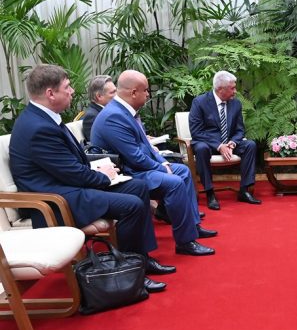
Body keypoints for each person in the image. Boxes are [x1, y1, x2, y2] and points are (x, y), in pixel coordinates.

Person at [9, 64, 173, 293]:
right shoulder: (37, 128)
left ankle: (141, 259)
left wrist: (101, 170)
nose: (72, 91)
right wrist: (104, 177)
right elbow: (72, 173)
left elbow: (71, 165)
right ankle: (130, 271)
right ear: (50, 93)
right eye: (67, 87)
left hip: (68, 187)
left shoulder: (45, 118)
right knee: (132, 205)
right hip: (56, 200)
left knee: (137, 187)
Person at [91, 70, 216, 256]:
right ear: (134, 92)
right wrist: (161, 168)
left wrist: (163, 163)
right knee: (174, 183)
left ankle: (193, 227)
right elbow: (134, 157)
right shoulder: (114, 116)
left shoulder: (125, 111)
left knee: (182, 171)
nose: (148, 95)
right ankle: (185, 242)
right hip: (127, 173)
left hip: (138, 167)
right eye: (146, 91)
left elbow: (147, 147)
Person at [188, 70, 261, 210]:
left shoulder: (236, 104)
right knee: (201, 148)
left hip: (229, 143)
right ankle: (210, 193)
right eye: (232, 88)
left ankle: (244, 190)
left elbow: (240, 130)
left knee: (250, 145)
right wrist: (219, 145)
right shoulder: (200, 102)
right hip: (209, 143)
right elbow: (197, 132)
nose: (235, 91)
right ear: (220, 89)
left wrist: (233, 142)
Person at [81, 75, 117, 143]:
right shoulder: (92, 116)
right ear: (99, 96)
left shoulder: (109, 111)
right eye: (113, 92)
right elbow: (97, 145)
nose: (117, 95)